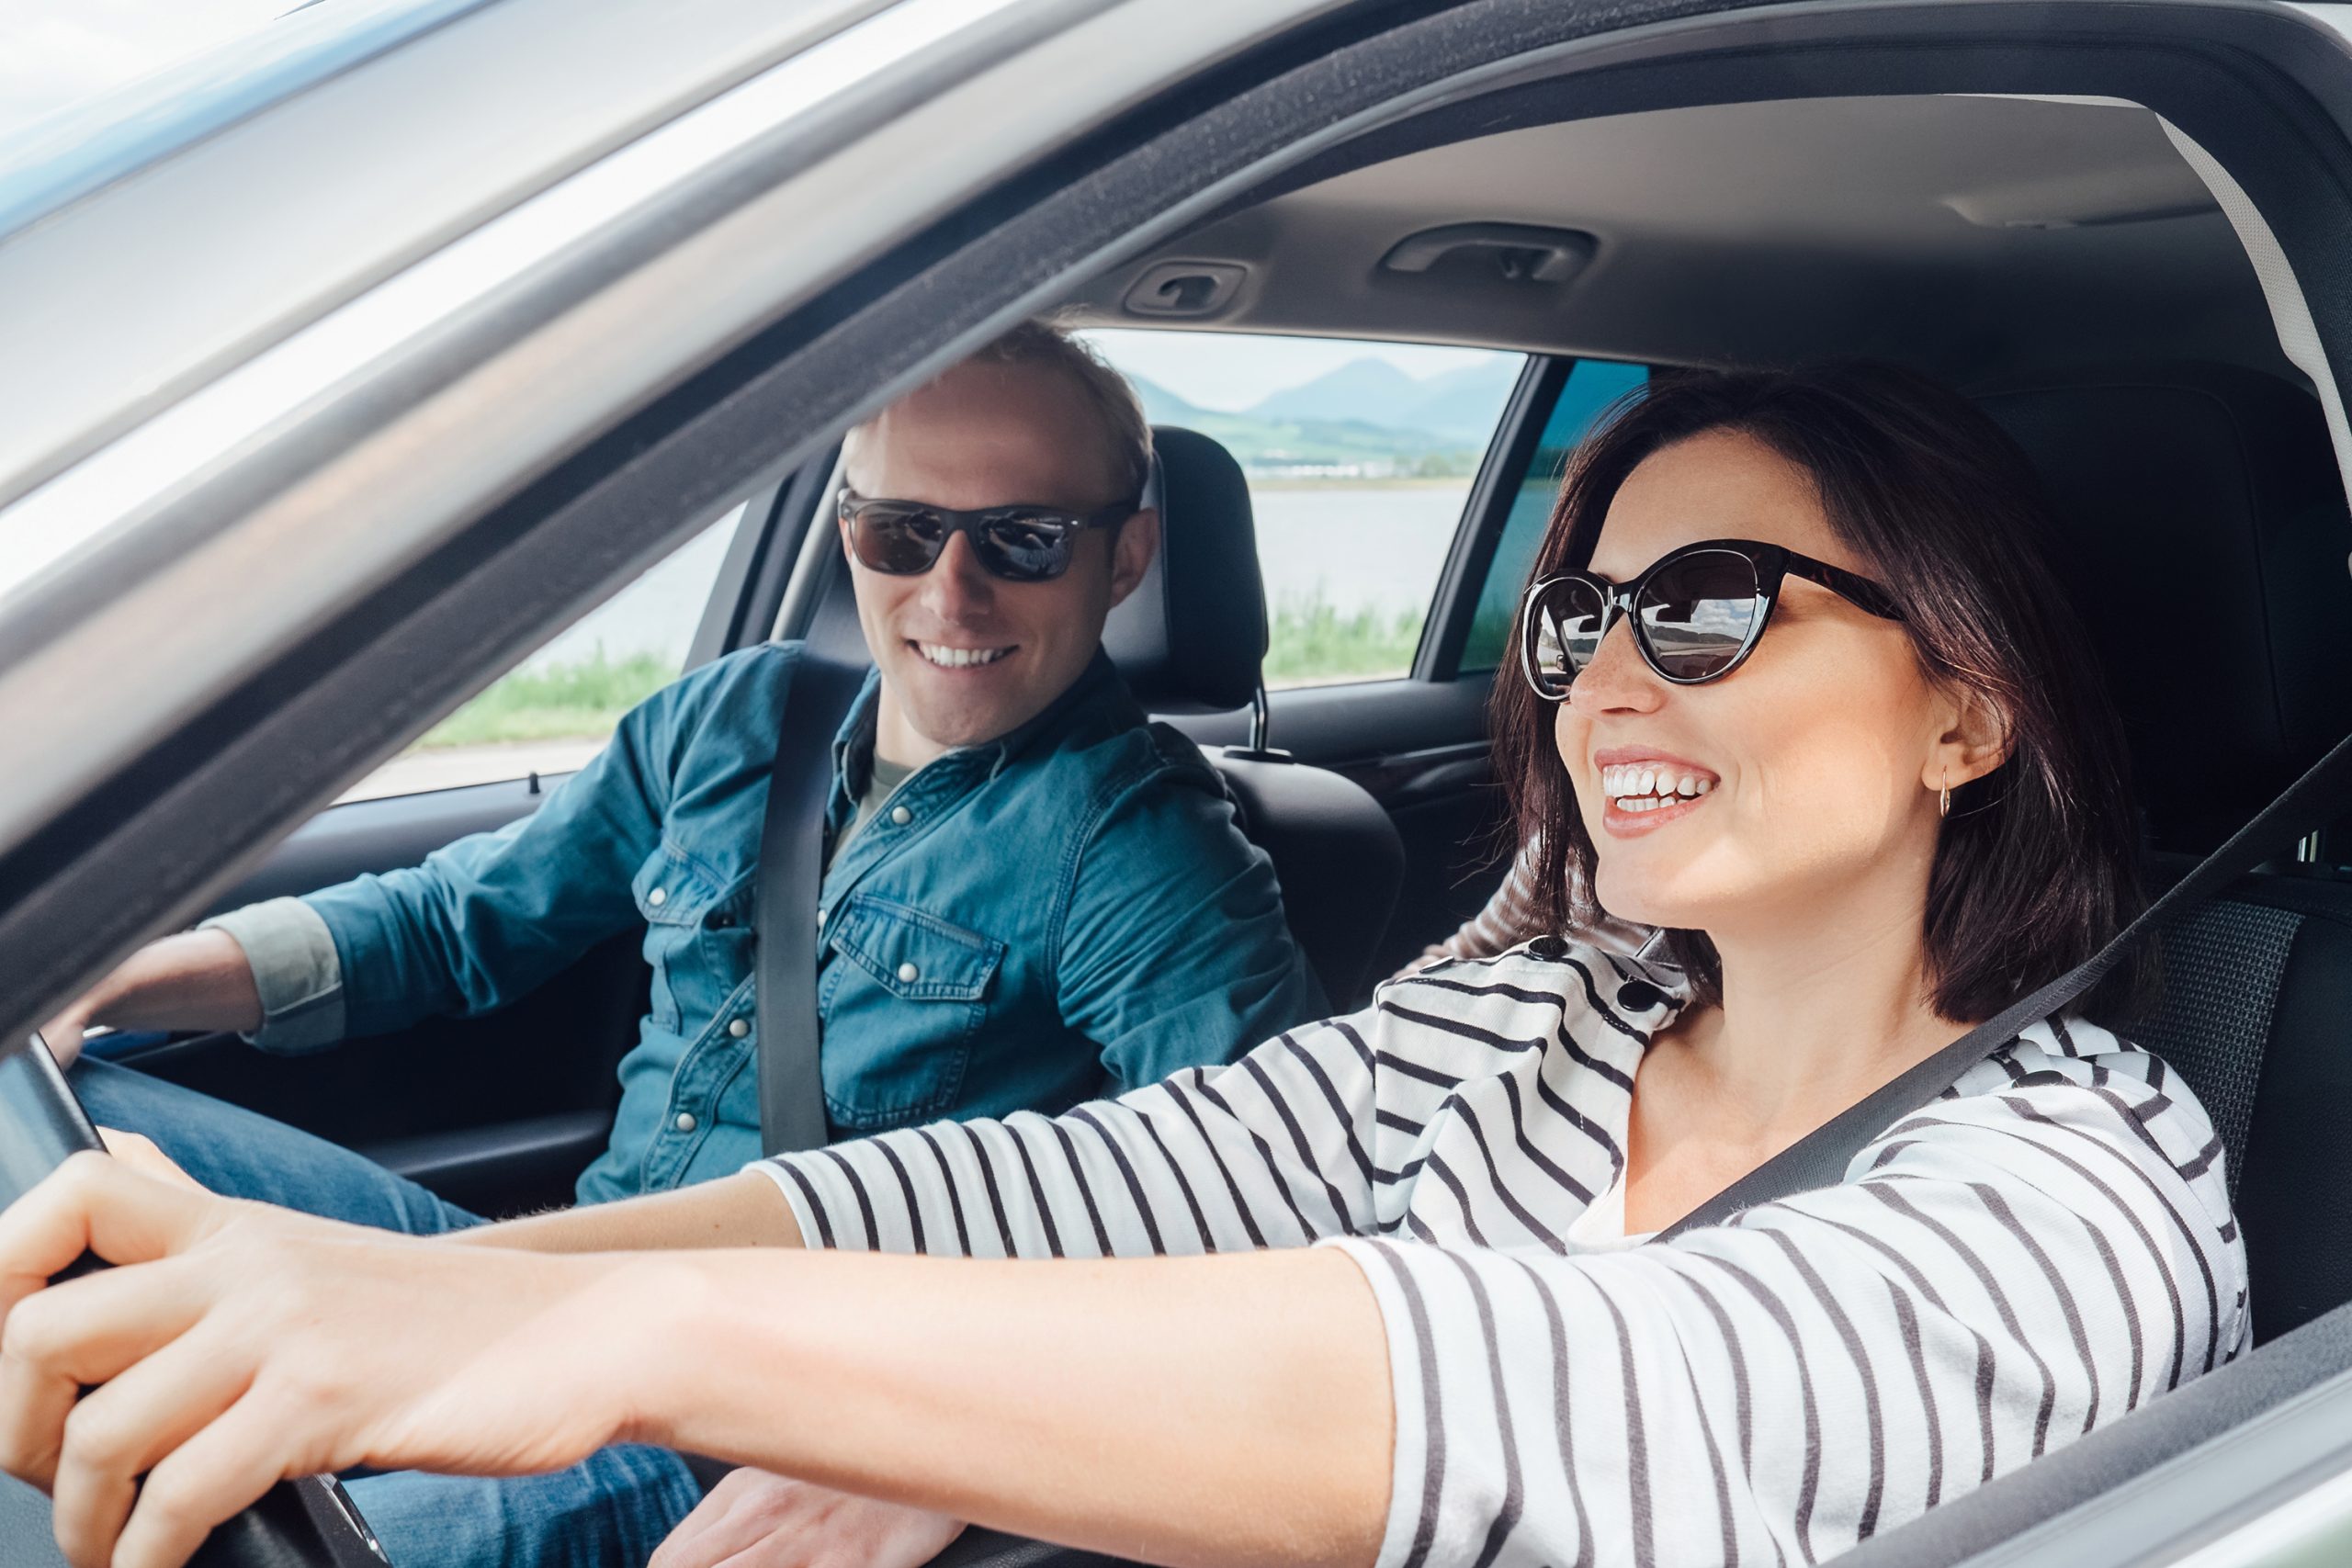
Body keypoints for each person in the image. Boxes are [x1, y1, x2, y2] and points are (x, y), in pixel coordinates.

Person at [0, 362, 2245, 1568]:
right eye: (1579, 622)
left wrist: (644, 1337)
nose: (1604, 690)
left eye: (1711, 607)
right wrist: (476, 1290)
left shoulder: (2079, 1200)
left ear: (1967, 704)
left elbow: (1557, 1386)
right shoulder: (1547, 998)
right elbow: (1092, 1175)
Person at [27, 320, 1324, 1567]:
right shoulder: (736, 720)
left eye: (1025, 540)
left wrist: (949, 1457)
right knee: (41, 1114)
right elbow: (457, 919)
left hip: (742, 1415)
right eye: (902, 531)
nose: (950, 589)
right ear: (846, 528)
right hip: (539, 1270)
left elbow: (1268, 1211)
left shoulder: (1142, 847)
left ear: (1130, 552)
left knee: (228, 1542)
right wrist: (122, 975)